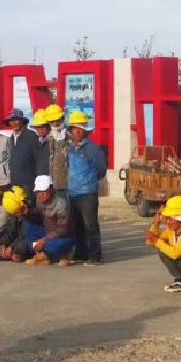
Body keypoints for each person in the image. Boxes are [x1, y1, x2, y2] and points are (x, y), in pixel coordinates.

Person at [66, 111, 108, 266]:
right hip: (72, 192)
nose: (77, 131)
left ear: (85, 130)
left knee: (90, 225)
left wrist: (88, 180)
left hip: (87, 193)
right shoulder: (70, 149)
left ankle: (95, 256)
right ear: (71, 131)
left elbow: (101, 170)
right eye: (74, 128)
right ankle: (80, 254)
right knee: (77, 225)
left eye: (80, 128)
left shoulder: (93, 149)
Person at [146, 196, 181, 292]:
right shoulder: (171, 230)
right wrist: (155, 224)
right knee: (163, 251)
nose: (167, 222)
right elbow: (150, 242)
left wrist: (156, 240)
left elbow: (175, 253)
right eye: (166, 218)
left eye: (170, 219)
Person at [24, 175, 77, 266]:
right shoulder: (39, 200)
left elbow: (63, 230)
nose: (41, 194)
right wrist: (26, 213)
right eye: (38, 192)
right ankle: (41, 256)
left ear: (51, 189)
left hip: (64, 236)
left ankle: (66, 254)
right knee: (29, 227)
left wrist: (44, 240)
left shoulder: (61, 203)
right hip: (48, 232)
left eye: (44, 191)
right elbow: (37, 216)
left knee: (50, 246)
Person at [6, 108, 38, 196]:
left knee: (29, 203)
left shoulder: (31, 136)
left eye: (16, 120)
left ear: (22, 121)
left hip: (28, 183)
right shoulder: (11, 138)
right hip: (15, 182)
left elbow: (38, 158)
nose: (14, 123)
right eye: (11, 120)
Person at [44, 105, 70, 200]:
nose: (55, 124)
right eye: (52, 121)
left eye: (57, 120)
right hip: (54, 181)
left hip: (70, 182)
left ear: (62, 118)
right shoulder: (48, 137)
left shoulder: (70, 134)